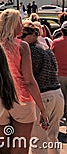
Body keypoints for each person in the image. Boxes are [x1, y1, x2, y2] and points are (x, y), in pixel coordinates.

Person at [0, 9, 48, 154]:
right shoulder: (22, 46)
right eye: (19, 22)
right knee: (21, 148)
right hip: (21, 99)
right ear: (12, 25)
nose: (22, 25)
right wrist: (42, 109)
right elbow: (29, 80)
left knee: (4, 148)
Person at [21, 20, 64, 154]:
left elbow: (29, 78)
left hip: (44, 97)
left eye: (23, 36)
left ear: (32, 35)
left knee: (38, 142)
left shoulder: (31, 52)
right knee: (52, 139)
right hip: (57, 95)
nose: (20, 39)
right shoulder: (46, 48)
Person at [51, 21, 67, 120]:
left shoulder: (56, 43)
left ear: (61, 30)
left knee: (63, 99)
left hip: (60, 75)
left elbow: (51, 58)